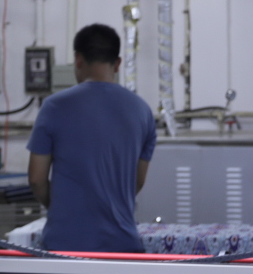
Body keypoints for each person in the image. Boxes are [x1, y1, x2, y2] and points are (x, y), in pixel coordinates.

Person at [26, 24, 156, 253]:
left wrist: (60, 209)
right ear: (118, 63)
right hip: (122, 246)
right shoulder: (142, 111)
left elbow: (37, 179)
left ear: (78, 60)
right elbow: (137, 181)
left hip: (65, 246)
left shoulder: (54, 107)